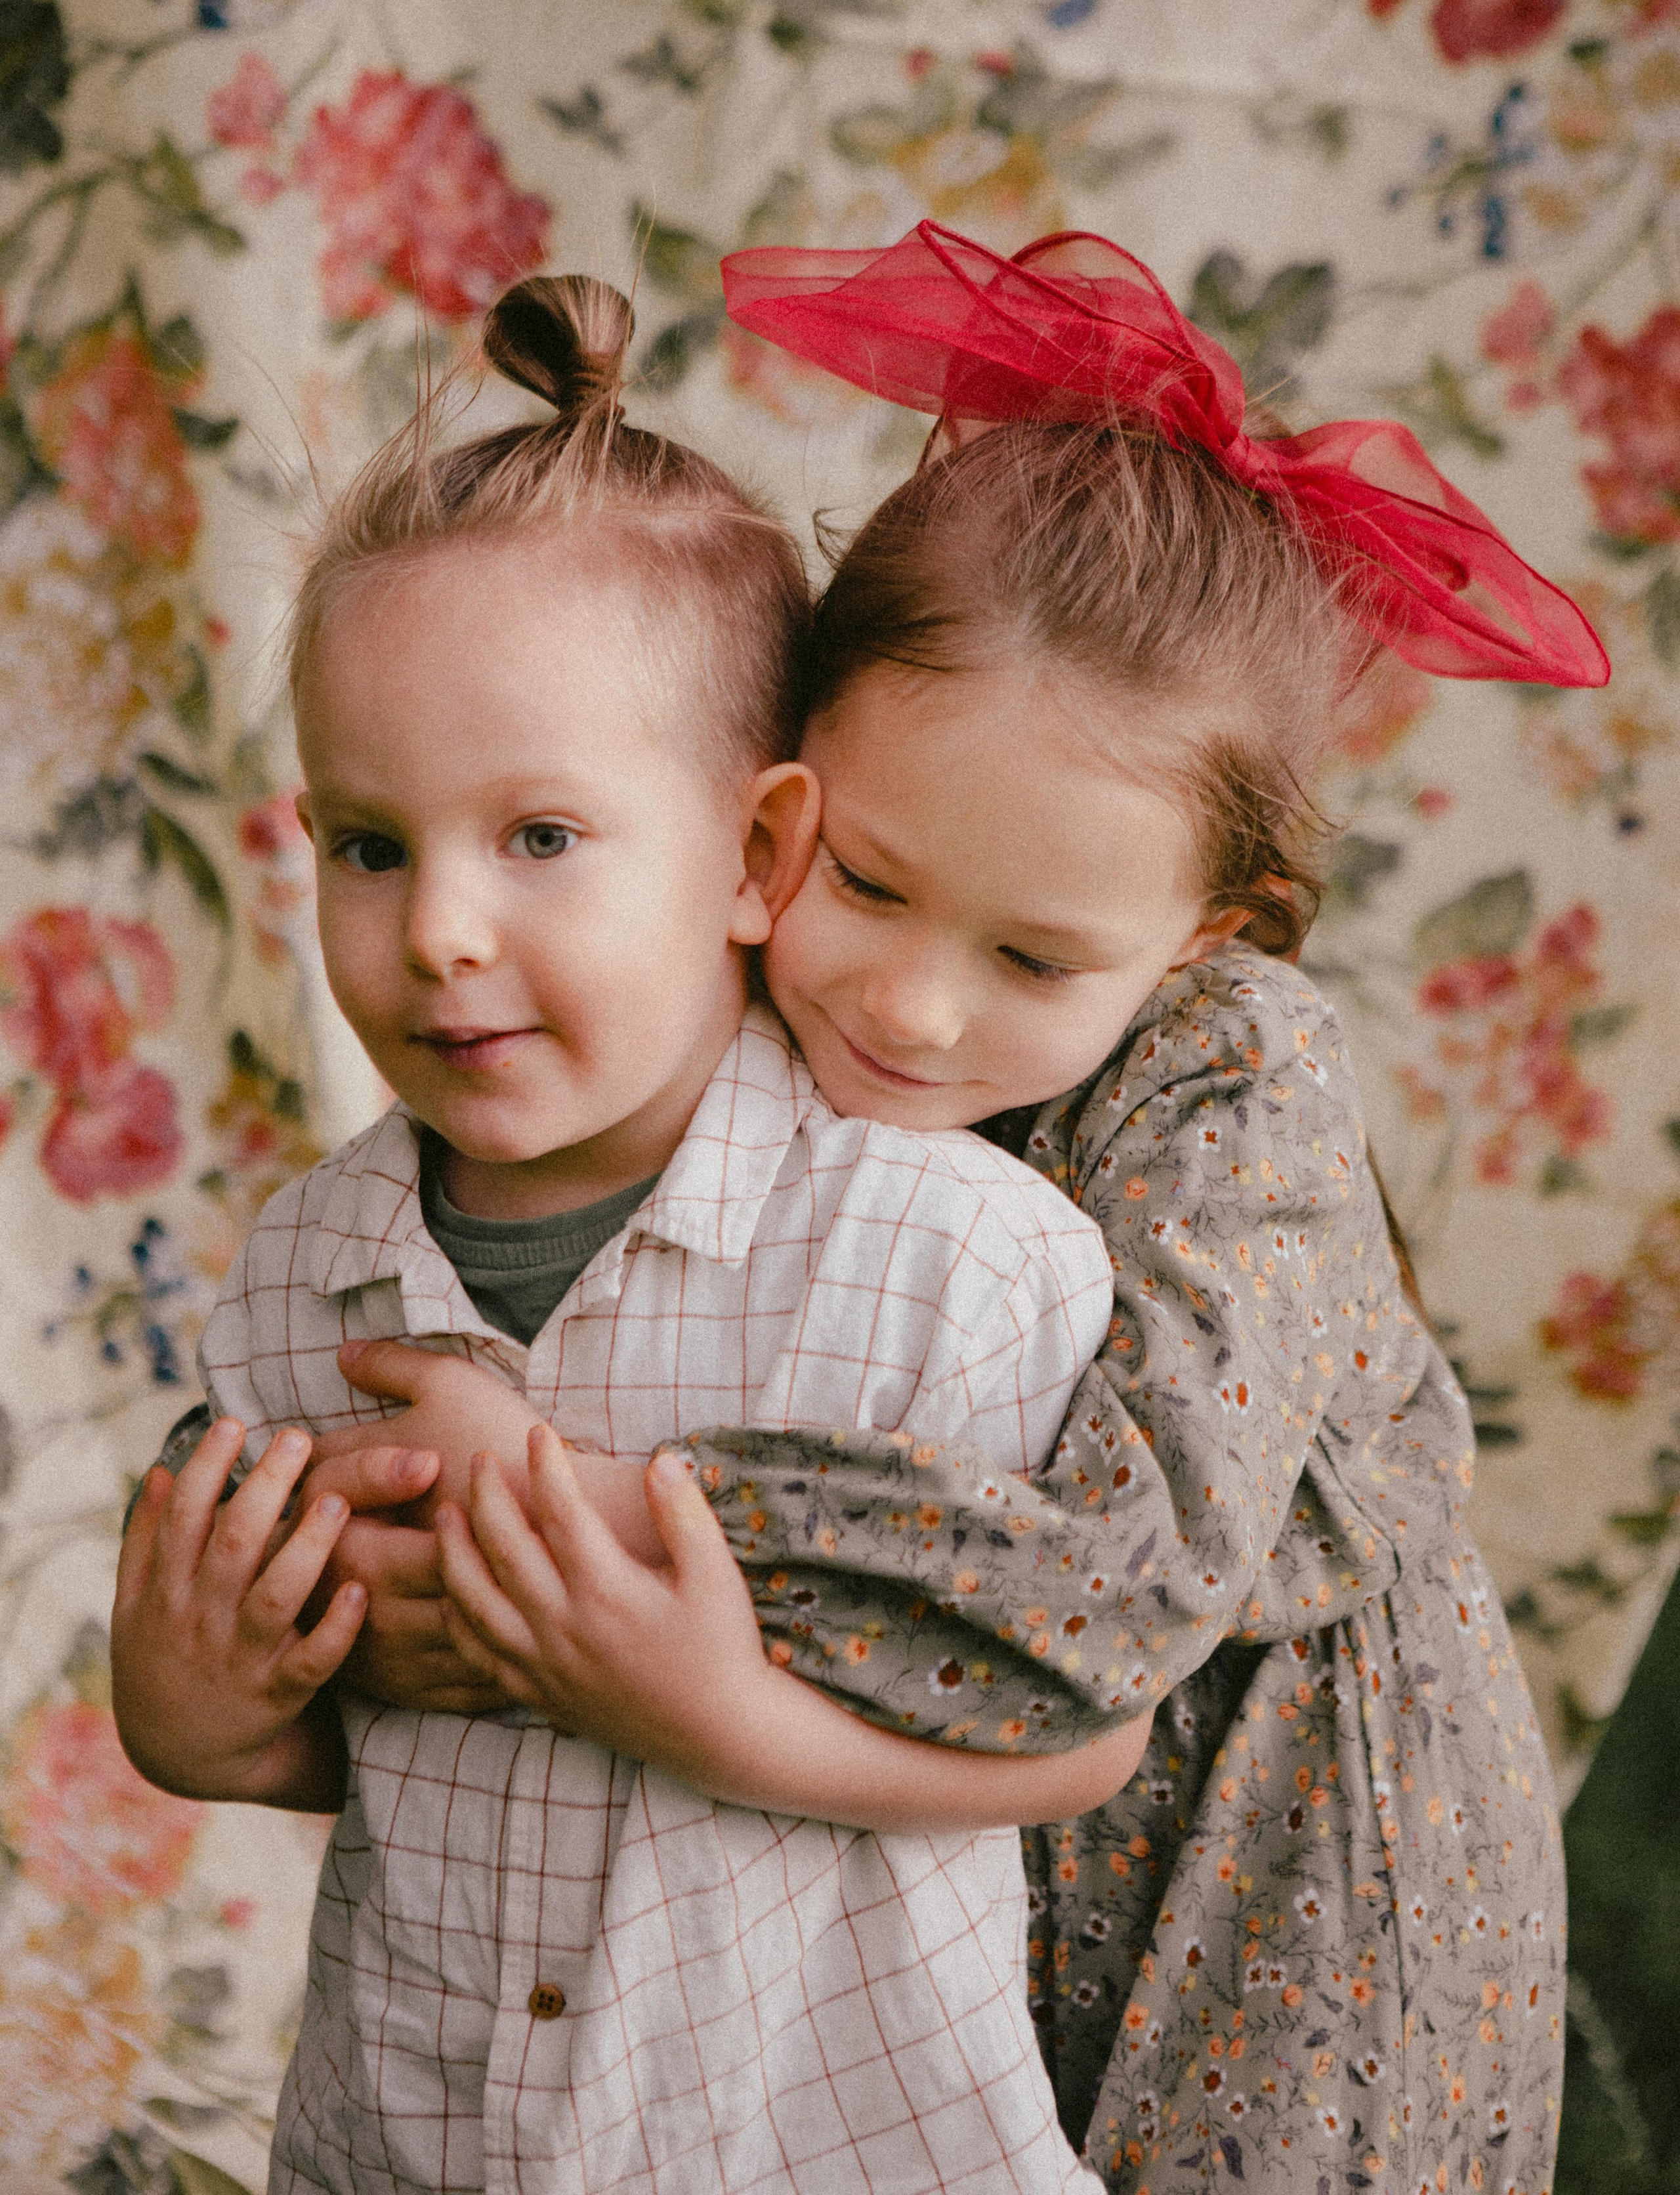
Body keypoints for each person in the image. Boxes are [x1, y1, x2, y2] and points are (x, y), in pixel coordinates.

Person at [291, 227, 1603, 2195]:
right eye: (877, 887)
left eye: (1036, 956)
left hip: (1284, 1865)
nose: (912, 1006)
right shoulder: (743, 1013)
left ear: (1198, 935)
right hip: (970, 1850)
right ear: (779, 810)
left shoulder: (1237, 1077)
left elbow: (1123, 1576)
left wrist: (557, 1497)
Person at [110, 268, 1164, 2195]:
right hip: (420, 2138)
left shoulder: (947, 1262)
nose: (437, 929)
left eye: (538, 839)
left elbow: (1082, 1740)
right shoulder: (302, 1279)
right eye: (369, 841)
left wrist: (714, 1711)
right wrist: (206, 1724)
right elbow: (406, 1750)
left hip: (819, 2148)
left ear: (759, 856)